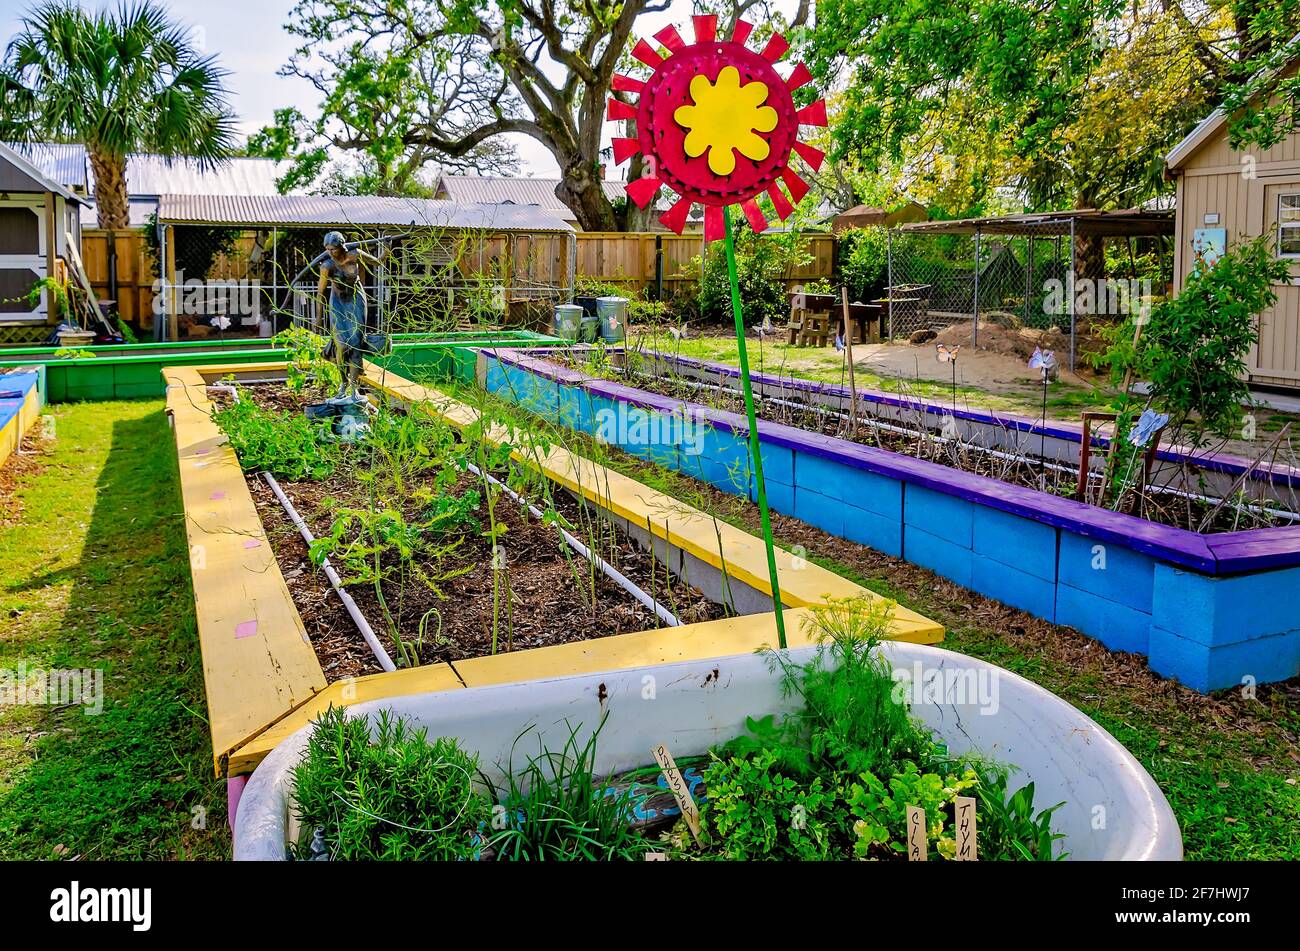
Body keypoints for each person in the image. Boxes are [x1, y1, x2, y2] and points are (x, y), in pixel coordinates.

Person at [316, 231, 388, 399]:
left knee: (355, 343)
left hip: (356, 300)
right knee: (341, 345)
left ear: (341, 247)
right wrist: (319, 317)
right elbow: (320, 293)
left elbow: (377, 262)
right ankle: (343, 382)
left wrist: (387, 248)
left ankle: (354, 388)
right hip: (338, 303)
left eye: (333, 249)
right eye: (327, 249)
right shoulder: (327, 266)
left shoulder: (355, 255)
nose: (330, 252)